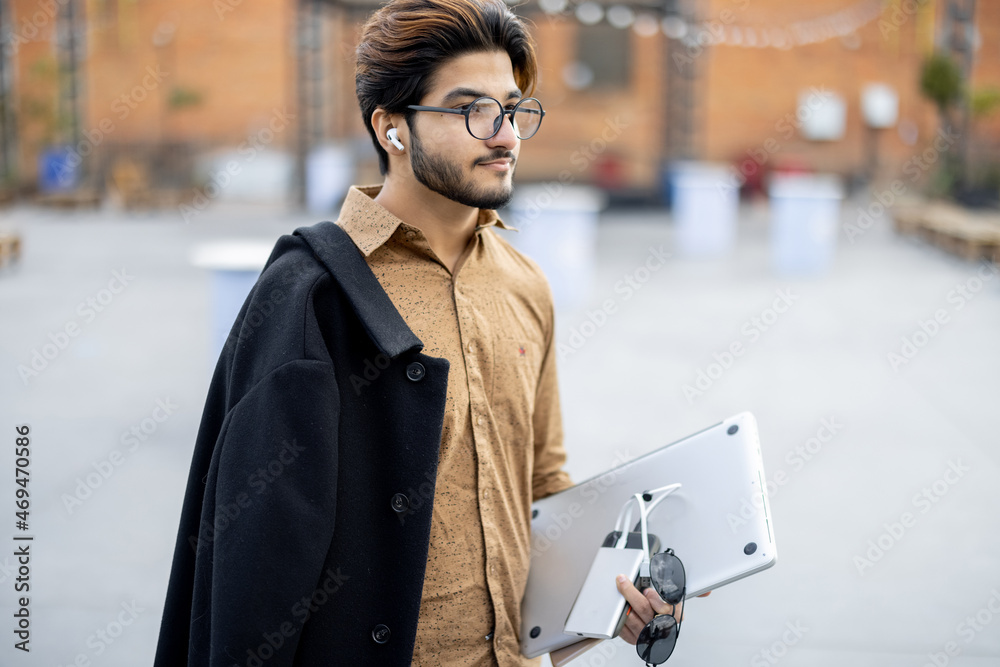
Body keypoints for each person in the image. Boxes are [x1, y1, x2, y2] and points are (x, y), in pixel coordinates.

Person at [154, 0, 688, 664]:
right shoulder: (312, 293)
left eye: (514, 109)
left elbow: (542, 486)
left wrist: (616, 601)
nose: (506, 135)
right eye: (472, 110)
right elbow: (255, 569)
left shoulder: (525, 284)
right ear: (391, 128)